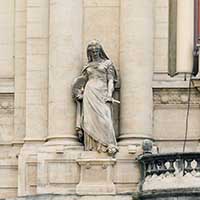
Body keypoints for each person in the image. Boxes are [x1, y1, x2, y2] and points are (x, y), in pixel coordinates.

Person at [72, 40, 119, 156]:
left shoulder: (108, 64)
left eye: (96, 50)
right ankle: (93, 146)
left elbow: (111, 81)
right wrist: (78, 92)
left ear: (100, 50)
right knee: (89, 120)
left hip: (102, 92)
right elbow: (81, 81)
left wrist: (109, 94)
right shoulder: (87, 66)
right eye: (92, 51)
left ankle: (108, 144)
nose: (94, 53)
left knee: (105, 119)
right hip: (89, 92)